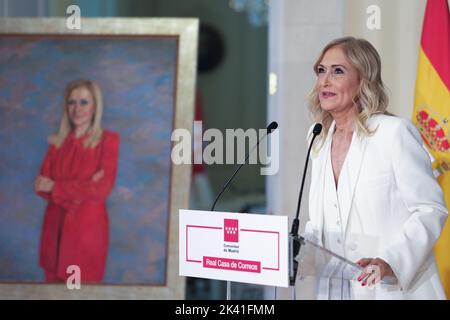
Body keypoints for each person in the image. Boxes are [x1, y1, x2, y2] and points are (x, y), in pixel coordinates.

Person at [304, 37, 448, 299]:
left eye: (338, 71)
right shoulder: (318, 139)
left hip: (394, 290)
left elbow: (431, 209)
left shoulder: (393, 133)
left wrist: (391, 262)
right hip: (336, 291)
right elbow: (321, 220)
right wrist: (295, 250)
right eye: (321, 71)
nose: (324, 81)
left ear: (363, 79)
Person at [35, 79, 120, 283]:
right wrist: (82, 190)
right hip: (54, 230)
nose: (77, 109)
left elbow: (102, 189)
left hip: (86, 232)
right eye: (72, 102)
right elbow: (40, 187)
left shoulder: (108, 141)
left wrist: (56, 187)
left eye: (84, 102)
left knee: (82, 293)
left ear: (95, 106)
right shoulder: (57, 142)